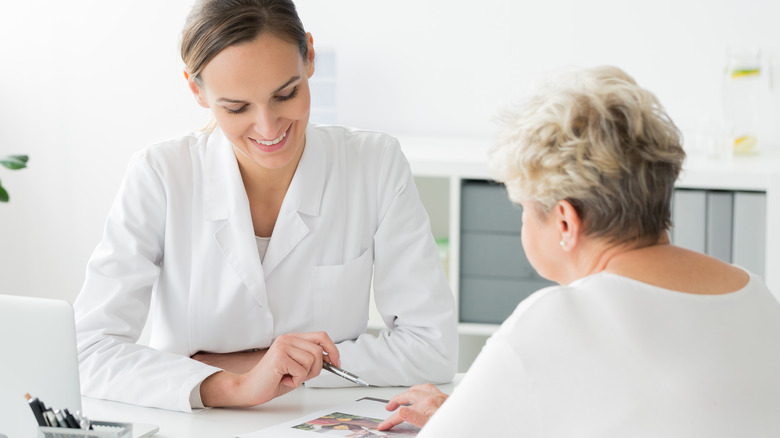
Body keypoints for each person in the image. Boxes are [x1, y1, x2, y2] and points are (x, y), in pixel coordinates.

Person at [74, 0, 457, 412]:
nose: (268, 127)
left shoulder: (373, 164)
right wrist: (232, 387)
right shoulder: (161, 175)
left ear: (309, 56)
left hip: (314, 419)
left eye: (286, 94)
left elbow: (432, 347)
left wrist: (249, 366)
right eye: (237, 107)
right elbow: (85, 350)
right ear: (196, 90)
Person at [377, 65, 780, 436]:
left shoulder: (559, 318)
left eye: (524, 209)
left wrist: (454, 417)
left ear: (566, 223)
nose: (522, 223)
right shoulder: (756, 296)